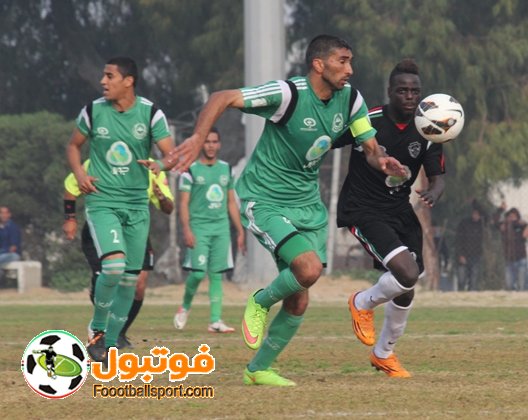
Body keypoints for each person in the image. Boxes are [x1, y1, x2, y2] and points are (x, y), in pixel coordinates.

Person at [152, 34, 406, 386]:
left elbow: (371, 147)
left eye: (351, 61)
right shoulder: (288, 95)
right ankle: (260, 300)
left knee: (299, 300)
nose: (350, 69)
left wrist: (384, 161)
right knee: (308, 268)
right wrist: (197, 138)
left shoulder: (351, 100)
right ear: (319, 64)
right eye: (343, 61)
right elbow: (222, 97)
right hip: (265, 199)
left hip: (307, 204)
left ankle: (258, 370)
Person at [334, 59, 445, 377]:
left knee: (406, 286)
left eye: (415, 91)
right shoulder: (367, 120)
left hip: (399, 211)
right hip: (363, 209)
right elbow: (327, 140)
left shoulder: (427, 128)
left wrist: (433, 193)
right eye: (402, 90)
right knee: (406, 273)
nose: (409, 96)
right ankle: (362, 302)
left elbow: (438, 177)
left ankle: (383, 354)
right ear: (390, 91)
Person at [66, 56, 174, 364]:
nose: (103, 81)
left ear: (128, 81)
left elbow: (171, 154)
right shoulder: (93, 111)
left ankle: (110, 345)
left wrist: (161, 164)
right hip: (103, 202)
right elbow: (73, 146)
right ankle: (97, 330)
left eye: (110, 76)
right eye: (103, 75)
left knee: (129, 279)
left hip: (137, 206)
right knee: (113, 267)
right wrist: (79, 173)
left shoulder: (151, 113)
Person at [62, 158, 174, 348]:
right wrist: (70, 218)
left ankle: (118, 333)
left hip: (135, 227)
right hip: (103, 225)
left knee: (138, 284)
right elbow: (70, 187)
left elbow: (169, 208)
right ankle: (99, 331)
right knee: (110, 273)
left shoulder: (151, 166)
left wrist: (161, 197)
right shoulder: (100, 159)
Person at [173, 128, 246, 333]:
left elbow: (231, 202)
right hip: (199, 228)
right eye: (207, 142)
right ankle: (185, 306)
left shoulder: (227, 169)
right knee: (197, 274)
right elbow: (183, 203)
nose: (211, 146)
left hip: (221, 229)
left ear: (219, 144)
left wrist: (240, 231)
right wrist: (186, 229)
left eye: (214, 141)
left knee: (216, 275)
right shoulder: (190, 170)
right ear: (201, 145)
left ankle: (215, 321)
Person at [493, 205, 528, 290]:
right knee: (509, 285)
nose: (512, 218)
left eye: (514, 216)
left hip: (521, 259)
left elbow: (525, 230)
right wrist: (500, 209)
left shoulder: (521, 225)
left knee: (522, 285)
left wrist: (525, 229)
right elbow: (495, 220)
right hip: (509, 260)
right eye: (510, 216)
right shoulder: (504, 227)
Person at [454, 207, 484, 291]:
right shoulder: (464, 224)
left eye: (478, 214)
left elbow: (487, 215)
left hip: (476, 256)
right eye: (475, 213)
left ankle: (471, 294)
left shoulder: (481, 225)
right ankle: (461, 294)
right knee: (462, 279)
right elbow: (458, 241)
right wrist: (460, 255)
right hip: (464, 255)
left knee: (473, 280)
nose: (476, 216)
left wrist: (475, 202)